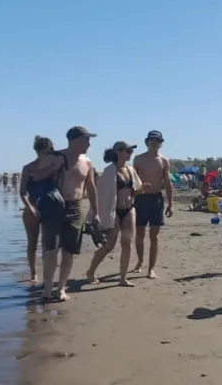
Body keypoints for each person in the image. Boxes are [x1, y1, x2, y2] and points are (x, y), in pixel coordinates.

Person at [31, 126, 100, 301]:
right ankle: (47, 288)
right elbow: (36, 177)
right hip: (54, 207)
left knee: (69, 251)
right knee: (51, 249)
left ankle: (61, 288)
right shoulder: (54, 157)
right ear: (75, 140)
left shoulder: (87, 162)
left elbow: (91, 187)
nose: (89, 144)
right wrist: (55, 167)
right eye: (86, 140)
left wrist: (95, 211)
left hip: (75, 208)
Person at [85, 141, 146, 287]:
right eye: (127, 151)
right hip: (114, 211)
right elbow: (101, 194)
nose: (130, 154)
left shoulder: (131, 170)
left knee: (127, 243)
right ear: (118, 152)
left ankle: (123, 278)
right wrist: (95, 214)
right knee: (109, 245)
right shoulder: (109, 171)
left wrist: (142, 188)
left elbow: (136, 191)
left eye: (131, 151)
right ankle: (91, 271)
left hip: (129, 209)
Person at [132, 130, 173, 279]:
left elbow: (167, 183)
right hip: (141, 199)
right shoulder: (138, 159)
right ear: (147, 141)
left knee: (154, 236)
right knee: (140, 234)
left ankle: (151, 268)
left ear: (161, 143)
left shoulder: (163, 161)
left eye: (157, 140)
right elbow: (132, 180)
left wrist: (170, 203)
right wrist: (135, 193)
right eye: (151, 139)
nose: (154, 142)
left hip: (156, 199)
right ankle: (140, 260)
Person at [19, 136, 55, 285]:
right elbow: (22, 192)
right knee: (32, 242)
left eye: (49, 153)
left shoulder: (54, 168)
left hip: (50, 207)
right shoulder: (28, 168)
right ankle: (33, 273)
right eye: (45, 153)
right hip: (32, 207)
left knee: (48, 243)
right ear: (38, 151)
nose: (46, 156)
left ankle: (47, 274)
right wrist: (30, 206)